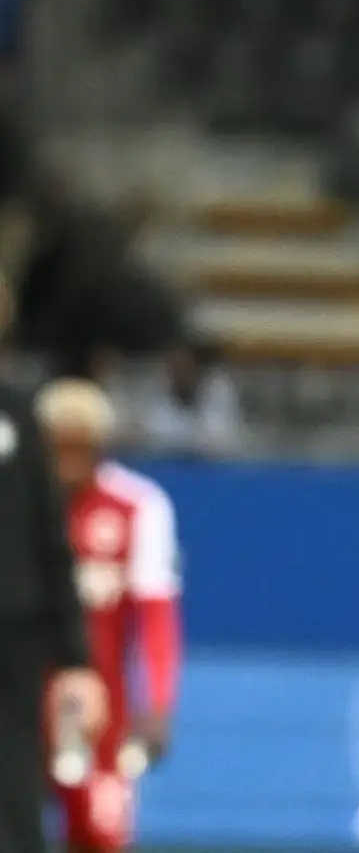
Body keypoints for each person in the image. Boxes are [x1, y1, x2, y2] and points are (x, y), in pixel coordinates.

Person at [36, 378, 183, 853]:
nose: (68, 462)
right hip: (20, 699)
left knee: (99, 835)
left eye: (80, 447)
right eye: (59, 447)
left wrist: (157, 701)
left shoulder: (137, 505)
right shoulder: (18, 503)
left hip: (101, 711)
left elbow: (157, 617)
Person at [0, 274, 108, 853]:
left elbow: (50, 539)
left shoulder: (18, 415)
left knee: (15, 785)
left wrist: (76, 660)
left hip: (13, 634)